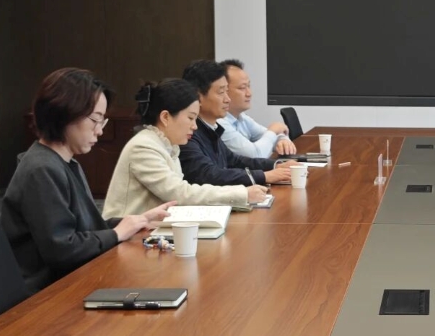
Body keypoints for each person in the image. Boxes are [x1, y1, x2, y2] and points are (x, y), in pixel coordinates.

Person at [0, 68, 171, 293]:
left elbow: (85, 229)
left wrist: (135, 221)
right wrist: (117, 233)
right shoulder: (42, 169)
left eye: (102, 121)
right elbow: (62, 251)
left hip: (71, 278)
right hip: (48, 292)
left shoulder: (65, 163)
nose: (99, 131)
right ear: (64, 113)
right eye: (96, 120)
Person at [103, 79, 270, 218]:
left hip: (154, 229)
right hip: (127, 238)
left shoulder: (168, 144)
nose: (194, 126)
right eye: (190, 118)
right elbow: (180, 193)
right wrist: (242, 194)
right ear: (165, 117)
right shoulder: (143, 147)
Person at [178, 60, 295, 187]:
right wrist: (264, 176)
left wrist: (276, 165)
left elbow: (235, 161)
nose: (227, 99)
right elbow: (209, 174)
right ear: (198, 97)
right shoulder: (188, 133)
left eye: (227, 91)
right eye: (221, 92)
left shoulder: (211, 128)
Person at [218, 58, 297, 158]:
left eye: (249, 86)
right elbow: (256, 155)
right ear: (224, 90)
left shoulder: (242, 117)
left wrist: (282, 140)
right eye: (242, 88)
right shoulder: (219, 123)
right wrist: (273, 130)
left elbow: (272, 136)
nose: (249, 93)